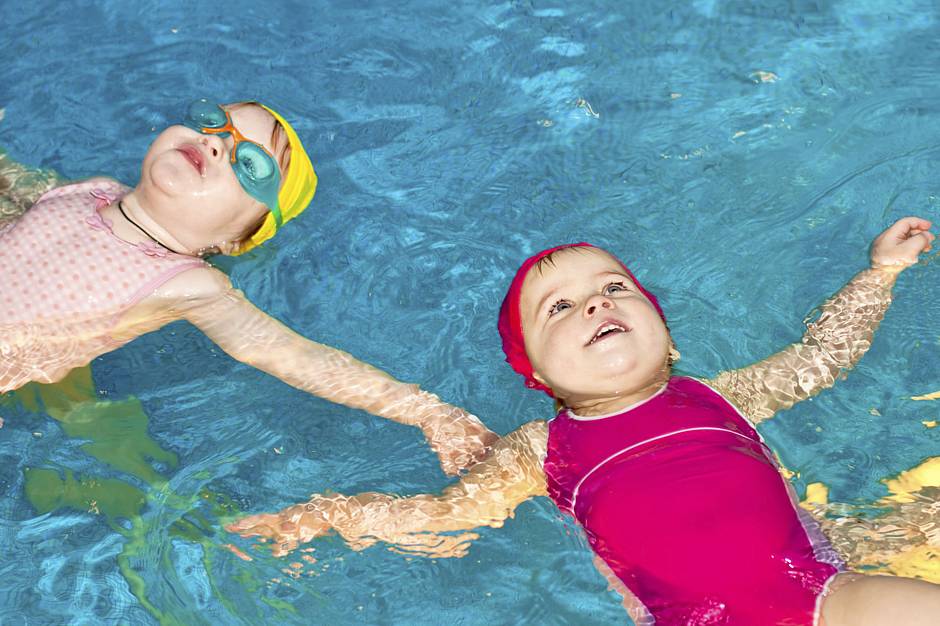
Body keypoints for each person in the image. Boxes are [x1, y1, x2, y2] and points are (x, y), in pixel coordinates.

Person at [229, 218, 940, 625]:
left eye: (613, 289)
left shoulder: (724, 396)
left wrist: (878, 274)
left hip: (830, 596)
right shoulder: (542, 449)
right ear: (535, 374)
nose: (596, 305)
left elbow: (824, 355)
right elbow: (443, 515)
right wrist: (318, 518)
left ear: (663, 326)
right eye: (560, 309)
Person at [0, 99, 495, 475]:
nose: (216, 144)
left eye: (249, 165)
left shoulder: (189, 284)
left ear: (235, 240)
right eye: (214, 123)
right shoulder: (91, 190)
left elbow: (294, 356)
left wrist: (430, 413)